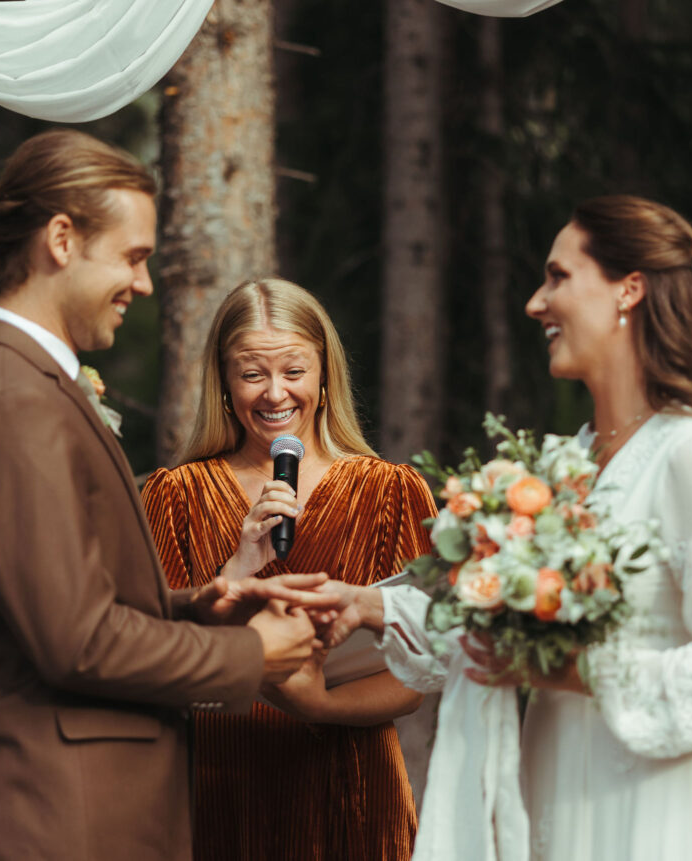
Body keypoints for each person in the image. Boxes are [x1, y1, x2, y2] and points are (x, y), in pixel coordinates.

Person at [322, 196, 692, 861]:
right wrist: (367, 604)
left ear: (629, 289)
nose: (536, 303)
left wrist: (579, 668)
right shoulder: (563, 467)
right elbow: (493, 626)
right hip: (560, 795)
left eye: (558, 276)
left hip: (666, 815)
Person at [0, 129, 336, 861]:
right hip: (53, 820)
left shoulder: (33, 388)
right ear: (61, 240)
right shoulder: (13, 403)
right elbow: (76, 642)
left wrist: (202, 606)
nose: (144, 285)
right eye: (133, 257)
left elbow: (64, 604)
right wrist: (249, 654)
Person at [141, 278, 436, 860]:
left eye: (294, 371)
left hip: (352, 790)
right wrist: (240, 564)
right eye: (252, 374)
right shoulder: (174, 495)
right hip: (221, 791)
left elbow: (417, 672)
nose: (275, 393)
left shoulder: (390, 490)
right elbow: (152, 660)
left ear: (325, 377)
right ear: (224, 384)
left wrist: (319, 704)